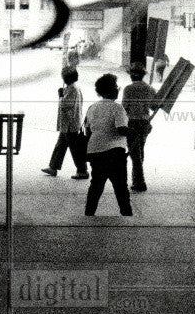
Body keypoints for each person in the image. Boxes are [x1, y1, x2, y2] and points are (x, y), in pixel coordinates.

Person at [83, 73, 132, 217]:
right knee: (121, 188)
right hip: (114, 153)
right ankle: (127, 216)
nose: (118, 89)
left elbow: (87, 130)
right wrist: (136, 131)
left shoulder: (92, 107)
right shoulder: (117, 108)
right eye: (116, 87)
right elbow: (121, 129)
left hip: (95, 151)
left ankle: (88, 215)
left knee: (96, 185)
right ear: (110, 89)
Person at [41, 66, 89, 179]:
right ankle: (53, 167)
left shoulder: (72, 89)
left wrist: (60, 96)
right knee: (60, 146)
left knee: (75, 149)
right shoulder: (75, 88)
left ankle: (82, 170)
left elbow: (65, 105)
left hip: (70, 124)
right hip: (69, 124)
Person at [121, 61, 158, 192]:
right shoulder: (150, 88)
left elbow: (124, 108)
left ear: (132, 75)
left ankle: (139, 182)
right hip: (145, 123)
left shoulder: (128, 89)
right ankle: (137, 179)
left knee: (134, 153)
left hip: (132, 123)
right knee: (139, 150)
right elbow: (154, 106)